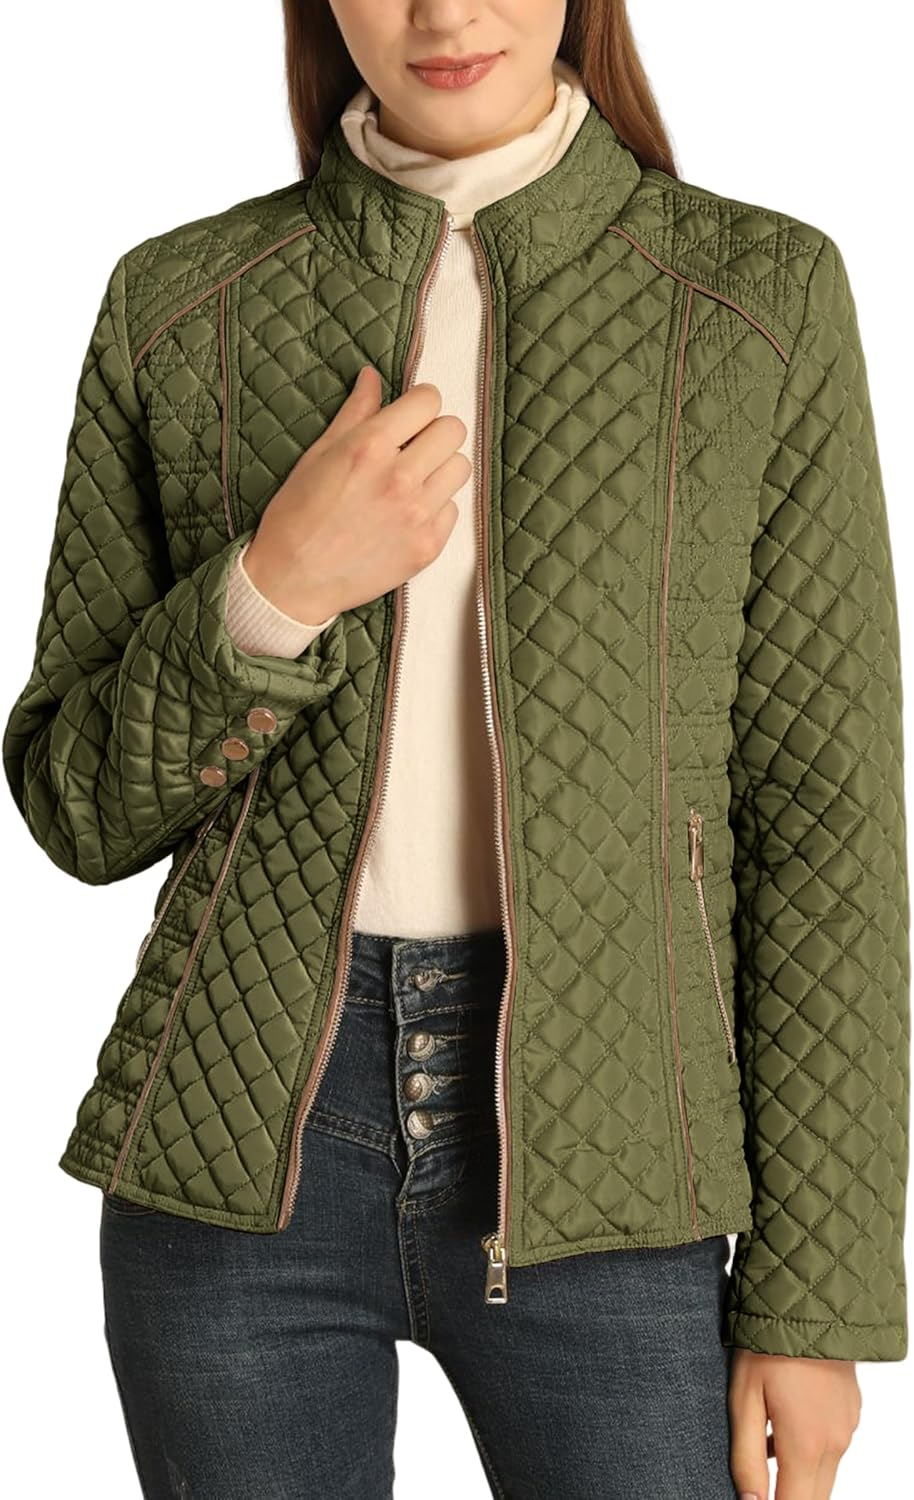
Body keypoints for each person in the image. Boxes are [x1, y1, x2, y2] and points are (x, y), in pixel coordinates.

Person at [3, 1, 908, 1496]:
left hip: (620, 1146)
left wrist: (814, 1298)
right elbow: (74, 806)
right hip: (243, 1152)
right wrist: (273, 590)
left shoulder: (754, 298)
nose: (442, 11)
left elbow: (826, 817)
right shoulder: (181, 303)